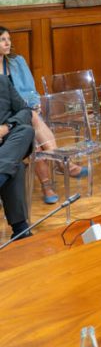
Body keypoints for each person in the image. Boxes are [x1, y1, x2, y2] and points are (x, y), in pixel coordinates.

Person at [0, 26, 86, 205]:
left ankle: (48, 185)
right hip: (4, 119)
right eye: (2, 40)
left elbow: (30, 90)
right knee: (31, 129)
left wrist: (34, 105)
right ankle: (61, 164)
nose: (8, 43)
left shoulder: (17, 62)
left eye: (8, 39)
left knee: (31, 119)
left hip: (24, 110)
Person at [0, 72, 32, 238]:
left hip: (6, 143)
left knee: (26, 130)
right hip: (7, 155)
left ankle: (21, 229)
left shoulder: (3, 82)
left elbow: (26, 111)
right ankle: (20, 228)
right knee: (15, 166)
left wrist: (6, 127)